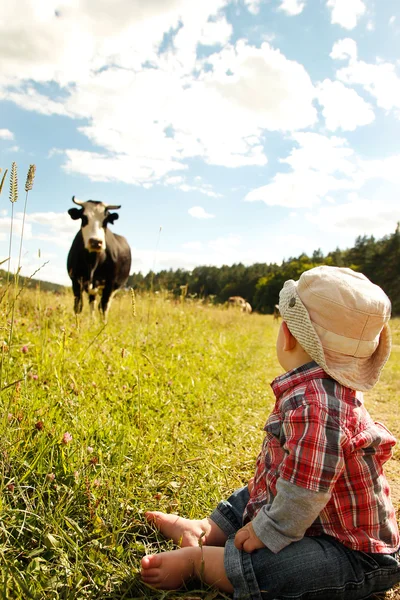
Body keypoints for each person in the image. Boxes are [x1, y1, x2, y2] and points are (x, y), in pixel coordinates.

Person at [141, 266, 400, 599]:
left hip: (355, 554)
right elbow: (289, 483)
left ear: (288, 334)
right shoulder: (320, 391)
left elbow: (305, 492)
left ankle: (202, 562)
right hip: (313, 517)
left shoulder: (319, 406)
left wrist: (271, 528)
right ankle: (206, 530)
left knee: (291, 567)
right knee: (258, 493)